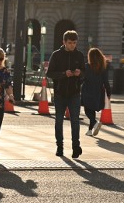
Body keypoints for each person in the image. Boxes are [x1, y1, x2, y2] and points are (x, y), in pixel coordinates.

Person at [46, 30, 85, 158]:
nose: (72, 45)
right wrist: (64, 74)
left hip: (75, 93)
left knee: (75, 121)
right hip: (60, 93)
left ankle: (75, 147)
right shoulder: (56, 55)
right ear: (64, 42)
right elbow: (49, 73)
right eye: (70, 43)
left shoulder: (79, 55)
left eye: (74, 43)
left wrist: (80, 73)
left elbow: (85, 73)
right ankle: (60, 147)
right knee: (59, 121)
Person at [81, 47, 111, 137]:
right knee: (92, 110)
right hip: (98, 92)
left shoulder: (86, 67)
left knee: (87, 111)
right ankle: (90, 130)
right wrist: (108, 93)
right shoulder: (102, 68)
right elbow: (106, 82)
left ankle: (94, 123)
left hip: (87, 91)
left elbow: (82, 79)